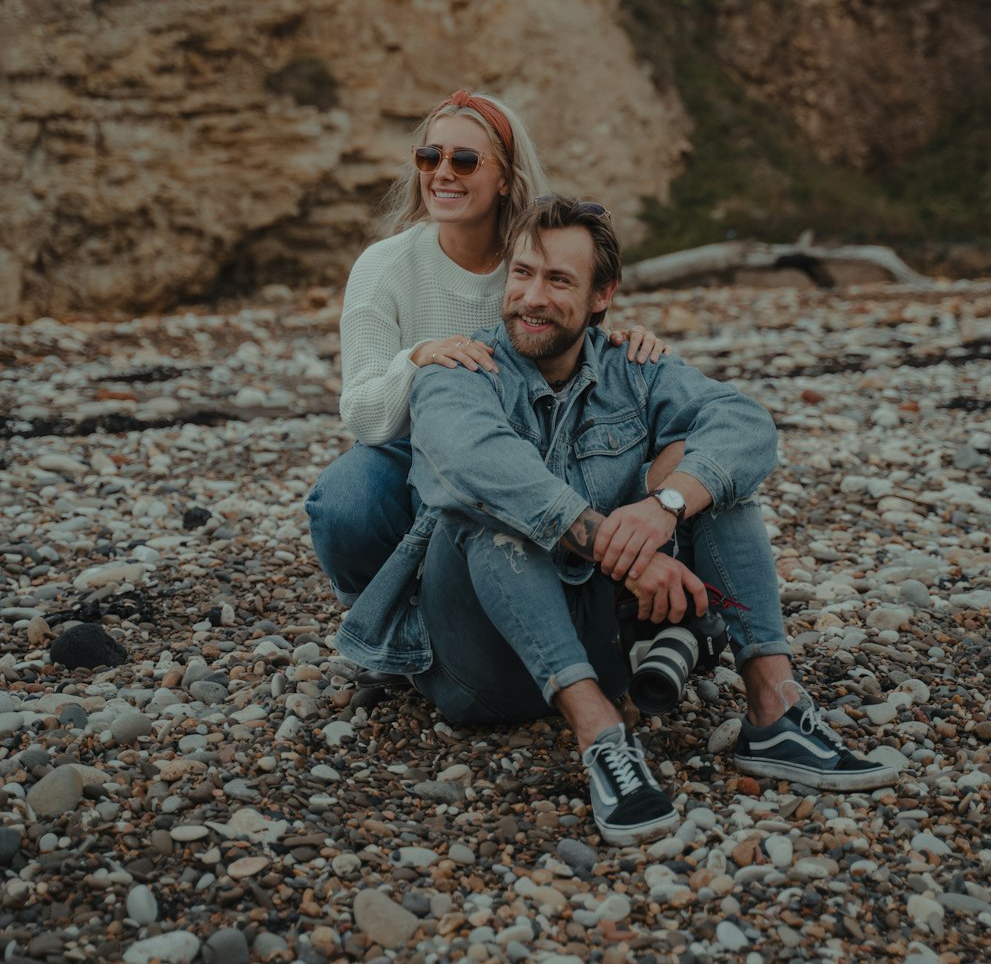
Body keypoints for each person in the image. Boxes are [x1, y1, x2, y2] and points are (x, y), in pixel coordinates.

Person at [337, 196, 898, 845]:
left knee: (718, 486)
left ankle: (775, 709)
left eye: (558, 280)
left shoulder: (631, 365)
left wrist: (668, 505)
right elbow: (483, 468)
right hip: (483, 665)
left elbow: (746, 424)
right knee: (489, 521)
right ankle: (601, 735)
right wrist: (620, 544)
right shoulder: (461, 369)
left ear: (603, 295)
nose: (532, 297)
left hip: (600, 634)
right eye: (521, 274)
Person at [306, 88, 665, 607]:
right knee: (344, 498)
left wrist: (619, 342)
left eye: (465, 159)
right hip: (408, 455)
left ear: (504, 177)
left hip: (526, 449)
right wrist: (418, 359)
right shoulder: (382, 266)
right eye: (429, 156)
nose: (442, 172)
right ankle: (383, 614)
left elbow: (571, 341)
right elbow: (361, 414)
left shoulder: (531, 263)